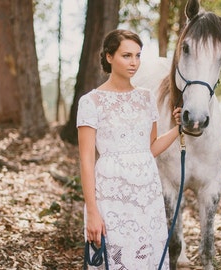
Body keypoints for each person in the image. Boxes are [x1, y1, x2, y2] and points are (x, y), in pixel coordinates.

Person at [77, 29, 181, 269]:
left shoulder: (146, 98)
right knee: (117, 259)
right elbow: (86, 161)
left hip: (148, 196)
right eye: (126, 55)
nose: (134, 62)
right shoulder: (90, 102)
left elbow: (151, 148)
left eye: (137, 55)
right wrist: (92, 211)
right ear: (109, 57)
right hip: (112, 197)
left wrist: (179, 129)